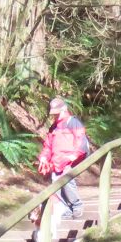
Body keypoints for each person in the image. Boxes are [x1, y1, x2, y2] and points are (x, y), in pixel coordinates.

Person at [36, 95, 90, 225]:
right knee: (55, 184)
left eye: (57, 113)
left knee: (67, 182)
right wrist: (43, 157)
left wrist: (74, 155)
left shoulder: (73, 122)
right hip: (56, 160)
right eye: (53, 114)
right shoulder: (53, 128)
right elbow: (48, 145)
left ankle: (76, 206)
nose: (55, 116)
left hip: (69, 160)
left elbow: (80, 139)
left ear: (64, 110)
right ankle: (66, 209)